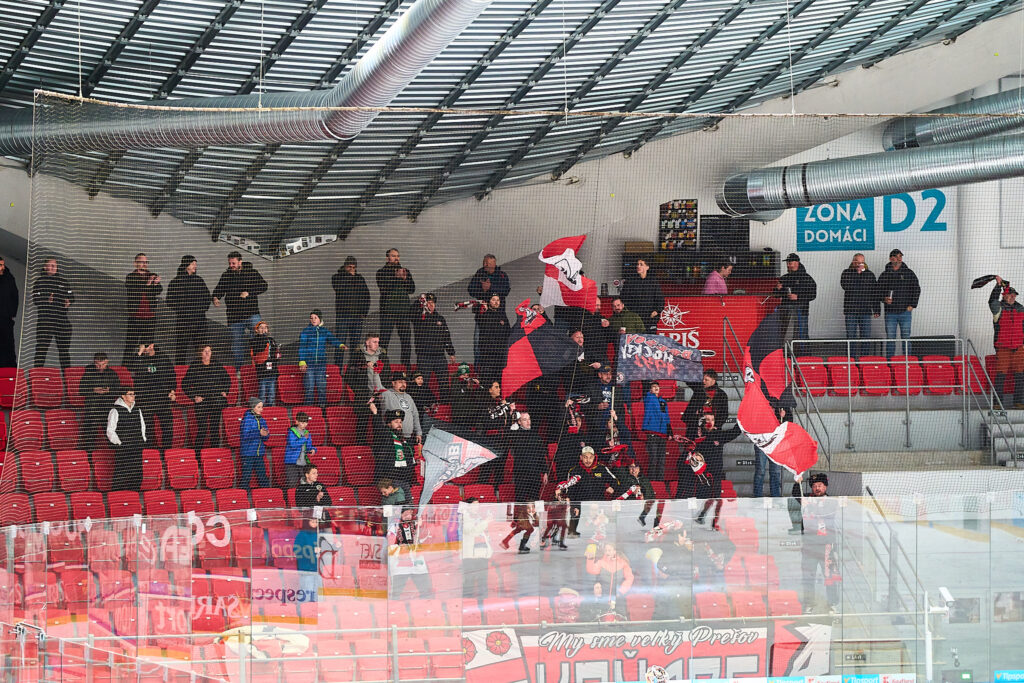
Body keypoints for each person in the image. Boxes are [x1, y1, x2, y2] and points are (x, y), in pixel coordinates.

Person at [793, 472, 841, 612]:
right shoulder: (807, 498)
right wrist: (797, 482)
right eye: (814, 486)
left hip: (827, 546)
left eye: (820, 485)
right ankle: (809, 604)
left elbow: (822, 512)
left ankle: (833, 604)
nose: (817, 488)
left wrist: (809, 506)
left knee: (830, 576)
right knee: (808, 577)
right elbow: (796, 493)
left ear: (825, 486)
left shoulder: (832, 502)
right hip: (809, 546)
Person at [212, 251, 268, 367]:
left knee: (259, 337)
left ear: (240, 262)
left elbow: (264, 286)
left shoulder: (251, 273)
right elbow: (219, 289)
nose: (231, 265)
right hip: (235, 316)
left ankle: (260, 366)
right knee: (237, 343)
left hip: (251, 313)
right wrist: (216, 297)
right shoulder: (226, 275)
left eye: (233, 263)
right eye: (229, 263)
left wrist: (249, 292)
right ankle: (239, 369)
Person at [556, 446, 618, 538]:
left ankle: (601, 534)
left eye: (590, 457)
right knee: (574, 510)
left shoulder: (601, 468)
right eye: (585, 457)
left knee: (602, 531)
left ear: (594, 457)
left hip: (598, 503)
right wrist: (571, 503)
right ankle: (573, 532)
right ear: (581, 457)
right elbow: (570, 490)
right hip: (581, 504)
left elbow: (616, 481)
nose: (588, 460)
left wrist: (611, 487)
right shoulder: (574, 471)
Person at [128, 339, 175, 449]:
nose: (144, 349)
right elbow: (131, 368)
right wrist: (139, 353)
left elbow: (172, 375)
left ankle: (166, 451)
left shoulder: (163, 358)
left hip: (162, 398)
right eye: (142, 347)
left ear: (152, 346)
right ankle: (150, 451)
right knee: (148, 428)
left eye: (145, 346)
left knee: (168, 427)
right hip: (146, 399)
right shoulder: (140, 359)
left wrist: (172, 391)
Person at [165, 255, 212, 365]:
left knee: (201, 349)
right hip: (183, 321)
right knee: (181, 349)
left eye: (196, 264)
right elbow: (169, 300)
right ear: (186, 265)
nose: (195, 266)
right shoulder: (176, 282)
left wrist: (201, 309)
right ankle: (179, 371)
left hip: (199, 321)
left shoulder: (199, 281)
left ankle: (202, 370)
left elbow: (207, 298)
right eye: (193, 264)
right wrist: (183, 309)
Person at [182, 344, 230, 449]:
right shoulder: (195, 366)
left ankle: (215, 452)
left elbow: (227, 379)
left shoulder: (216, 364)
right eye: (205, 351)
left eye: (209, 351)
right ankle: (198, 453)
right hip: (202, 403)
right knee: (202, 429)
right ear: (200, 353)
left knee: (214, 429)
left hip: (215, 401)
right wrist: (194, 396)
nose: (208, 353)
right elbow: (184, 384)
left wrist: (225, 391)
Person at [877, 248, 920, 358]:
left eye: (901, 256)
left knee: (906, 338)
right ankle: (890, 362)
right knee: (890, 339)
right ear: (891, 259)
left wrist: (913, 305)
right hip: (890, 313)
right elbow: (877, 291)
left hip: (905, 312)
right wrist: (884, 299)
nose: (899, 258)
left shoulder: (909, 273)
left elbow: (916, 289)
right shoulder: (884, 275)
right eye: (897, 256)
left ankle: (907, 362)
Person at [411, 293, 456, 398]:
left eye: (432, 303)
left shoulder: (440, 318)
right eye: (428, 303)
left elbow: (446, 336)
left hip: (439, 356)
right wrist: (419, 302)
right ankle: (423, 404)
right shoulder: (418, 317)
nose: (431, 305)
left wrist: (451, 353)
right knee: (423, 383)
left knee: (444, 383)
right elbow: (411, 312)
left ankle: (445, 404)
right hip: (424, 356)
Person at [31, 257, 73, 370]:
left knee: (64, 352)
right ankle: (37, 376)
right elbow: (36, 300)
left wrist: (68, 301)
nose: (54, 267)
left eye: (55, 265)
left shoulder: (63, 281)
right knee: (41, 350)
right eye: (51, 265)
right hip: (46, 321)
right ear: (45, 267)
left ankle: (67, 377)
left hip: (61, 320)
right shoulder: (39, 282)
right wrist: (46, 300)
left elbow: (72, 296)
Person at [376, 248, 416, 367]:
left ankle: (406, 368)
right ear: (387, 258)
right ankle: (382, 367)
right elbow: (383, 288)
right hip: (388, 312)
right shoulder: (381, 272)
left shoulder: (405, 271)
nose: (396, 258)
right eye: (393, 256)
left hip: (403, 312)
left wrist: (405, 279)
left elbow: (412, 289)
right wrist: (396, 277)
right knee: (384, 341)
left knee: (406, 341)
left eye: (398, 256)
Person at [989, 276, 1024, 407]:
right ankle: (997, 403)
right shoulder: (998, 308)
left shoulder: (1021, 309)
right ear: (1004, 296)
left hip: (1019, 348)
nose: (1013, 297)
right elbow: (992, 300)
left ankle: (1019, 402)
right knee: (1000, 376)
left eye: (1014, 295)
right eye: (1010, 295)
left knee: (1020, 376)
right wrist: (998, 286)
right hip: (1003, 348)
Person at [298, 309, 346, 407]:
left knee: (321, 387)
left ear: (320, 319)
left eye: (315, 318)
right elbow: (302, 347)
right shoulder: (306, 331)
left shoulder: (324, 331)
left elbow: (332, 339)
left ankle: (322, 408)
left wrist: (340, 345)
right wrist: (302, 361)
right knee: (309, 387)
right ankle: (309, 409)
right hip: (309, 364)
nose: (313, 320)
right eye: (311, 318)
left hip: (320, 364)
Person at [469, 254, 511, 362]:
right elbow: (470, 289)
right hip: (482, 316)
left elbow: (506, 290)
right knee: (478, 343)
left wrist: (491, 287)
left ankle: (500, 368)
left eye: (488, 264)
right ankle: (479, 369)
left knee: (501, 342)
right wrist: (482, 289)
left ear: (494, 264)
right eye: (484, 263)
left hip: (498, 315)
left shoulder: (502, 275)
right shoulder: (479, 273)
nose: (485, 265)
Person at [123, 253, 162, 363]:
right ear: (135, 263)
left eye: (146, 262)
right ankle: (126, 366)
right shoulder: (131, 277)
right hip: (136, 316)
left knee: (147, 346)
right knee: (131, 344)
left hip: (150, 317)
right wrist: (148, 284)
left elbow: (159, 290)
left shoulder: (152, 275)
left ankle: (145, 367)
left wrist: (155, 284)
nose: (144, 264)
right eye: (142, 262)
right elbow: (135, 289)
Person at [331, 255, 370, 365]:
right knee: (340, 344)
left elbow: (366, 295)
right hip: (343, 316)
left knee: (355, 345)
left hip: (357, 317)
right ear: (345, 266)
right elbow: (340, 288)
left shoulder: (359, 279)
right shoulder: (337, 278)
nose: (352, 269)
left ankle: (352, 369)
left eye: (353, 267)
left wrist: (364, 312)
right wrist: (349, 276)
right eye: (349, 267)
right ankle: (338, 369)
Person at [106, 388, 147, 491]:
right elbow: (110, 430)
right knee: (122, 473)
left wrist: (143, 439)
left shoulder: (137, 409)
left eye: (134, 394)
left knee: (137, 473)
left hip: (136, 445)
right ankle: (118, 496)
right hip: (124, 447)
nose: (133, 396)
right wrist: (119, 443)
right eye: (130, 394)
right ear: (123, 396)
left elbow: (142, 426)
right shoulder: (115, 410)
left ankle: (134, 494)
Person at [840, 253, 879, 359]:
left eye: (862, 262)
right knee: (851, 337)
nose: (859, 264)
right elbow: (846, 286)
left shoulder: (869, 275)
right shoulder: (846, 273)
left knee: (865, 337)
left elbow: (874, 293)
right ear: (853, 261)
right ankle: (851, 360)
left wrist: (876, 309)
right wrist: (857, 274)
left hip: (865, 311)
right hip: (851, 311)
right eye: (857, 262)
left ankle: (864, 360)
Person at [79, 352, 121, 450]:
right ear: (94, 362)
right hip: (92, 407)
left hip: (107, 406)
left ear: (107, 362)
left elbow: (118, 390)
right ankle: (89, 452)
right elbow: (81, 390)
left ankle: (112, 450)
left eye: (103, 364)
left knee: (110, 429)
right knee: (90, 430)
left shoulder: (112, 374)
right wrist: (93, 390)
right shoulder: (88, 373)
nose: (100, 367)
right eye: (98, 364)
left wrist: (109, 390)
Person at [388, 507, 431, 598]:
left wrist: (421, 526)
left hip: (416, 562)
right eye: (406, 514)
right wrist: (400, 549)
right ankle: (395, 605)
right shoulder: (394, 526)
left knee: (425, 589)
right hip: (400, 563)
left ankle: (426, 603)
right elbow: (390, 543)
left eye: (410, 514)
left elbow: (424, 537)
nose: (408, 516)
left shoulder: (415, 524)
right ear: (400, 514)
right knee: (396, 592)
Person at [374, 409, 415, 501]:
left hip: (405, 480)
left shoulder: (404, 440)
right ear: (389, 423)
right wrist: (375, 414)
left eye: (400, 422)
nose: (399, 424)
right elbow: (378, 429)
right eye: (396, 422)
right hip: (391, 482)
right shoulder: (386, 436)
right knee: (393, 507)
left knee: (408, 506)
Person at [372, 371, 423, 444]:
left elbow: (415, 416)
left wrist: (418, 432)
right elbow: (378, 386)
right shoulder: (387, 394)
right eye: (400, 382)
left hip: (408, 437)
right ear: (393, 383)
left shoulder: (408, 397)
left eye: (405, 382)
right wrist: (375, 372)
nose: (403, 384)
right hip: (391, 437)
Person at [776, 253, 816, 340]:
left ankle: (803, 349)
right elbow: (776, 295)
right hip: (786, 312)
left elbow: (813, 294)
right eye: (787, 263)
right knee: (785, 336)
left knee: (801, 336)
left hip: (801, 312)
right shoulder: (784, 278)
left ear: (797, 263)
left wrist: (798, 297)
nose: (788, 265)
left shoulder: (806, 278)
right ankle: (787, 349)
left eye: (790, 262)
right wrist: (778, 289)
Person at [509, 412, 548, 503]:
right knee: (521, 501)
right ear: (519, 422)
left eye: (529, 419)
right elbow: (509, 433)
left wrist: (545, 472)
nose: (528, 422)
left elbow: (541, 455)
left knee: (535, 500)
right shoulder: (516, 435)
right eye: (524, 420)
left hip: (535, 474)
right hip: (521, 474)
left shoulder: (536, 436)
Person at [619, 258, 664, 333]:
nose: (638, 266)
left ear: (647, 267)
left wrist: (656, 311)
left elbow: (660, 299)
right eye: (637, 264)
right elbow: (624, 298)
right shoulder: (630, 281)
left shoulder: (653, 282)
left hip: (649, 318)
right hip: (634, 318)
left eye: (641, 264)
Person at [752, 405, 787, 499]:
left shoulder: (781, 408)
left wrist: (784, 417)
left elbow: (789, 424)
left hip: (776, 445)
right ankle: (758, 496)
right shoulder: (758, 412)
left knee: (775, 471)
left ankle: (775, 497)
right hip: (761, 444)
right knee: (760, 470)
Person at [474, 294, 509, 386]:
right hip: (487, 354)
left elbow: (508, 332)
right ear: (489, 301)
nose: (496, 302)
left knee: (499, 379)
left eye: (498, 300)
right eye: (493, 300)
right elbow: (478, 318)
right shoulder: (483, 313)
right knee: (487, 379)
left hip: (500, 354)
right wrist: (483, 310)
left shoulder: (502, 315)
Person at [239, 398, 271, 490]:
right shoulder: (247, 419)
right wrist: (259, 433)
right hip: (248, 454)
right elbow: (245, 435)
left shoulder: (262, 420)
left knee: (263, 476)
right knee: (246, 476)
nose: (261, 409)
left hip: (259, 453)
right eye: (259, 407)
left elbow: (265, 438)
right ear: (253, 407)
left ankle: (266, 494)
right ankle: (243, 494)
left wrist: (266, 434)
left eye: (262, 407)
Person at [641, 381, 670, 481]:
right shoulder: (648, 398)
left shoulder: (663, 401)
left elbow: (666, 417)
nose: (656, 388)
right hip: (652, 432)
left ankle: (660, 482)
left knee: (662, 460)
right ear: (650, 389)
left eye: (658, 386)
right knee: (653, 459)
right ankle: (652, 481)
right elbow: (645, 387)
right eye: (653, 386)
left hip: (662, 434)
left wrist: (669, 431)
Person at [618, 460, 658, 527]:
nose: (634, 469)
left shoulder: (645, 480)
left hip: (646, 505)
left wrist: (644, 498)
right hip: (632, 506)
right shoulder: (625, 479)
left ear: (639, 469)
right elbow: (623, 493)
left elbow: (651, 494)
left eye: (636, 467)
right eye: (631, 467)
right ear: (628, 469)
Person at [249, 320, 280, 406]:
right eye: (261, 328)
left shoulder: (271, 340)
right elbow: (258, 350)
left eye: (265, 328)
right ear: (257, 330)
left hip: (272, 370)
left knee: (271, 394)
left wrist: (277, 354)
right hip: (262, 371)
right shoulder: (254, 340)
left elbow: (275, 352)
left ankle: (270, 409)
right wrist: (263, 337)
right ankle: (261, 409)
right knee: (262, 394)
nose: (263, 329)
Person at [285, 411, 316, 489]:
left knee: (305, 483)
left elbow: (308, 446)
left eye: (306, 422)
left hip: (303, 463)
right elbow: (293, 445)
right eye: (302, 423)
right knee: (292, 483)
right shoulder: (291, 432)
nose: (304, 425)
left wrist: (313, 449)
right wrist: (304, 438)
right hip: (292, 463)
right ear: (297, 422)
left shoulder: (307, 433)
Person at [0, 256, 17, 367]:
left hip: (6, 318)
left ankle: (11, 370)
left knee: (8, 345)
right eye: (0, 265)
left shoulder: (9, 278)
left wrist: (12, 313)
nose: (3, 267)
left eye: (3, 265)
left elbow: (15, 296)